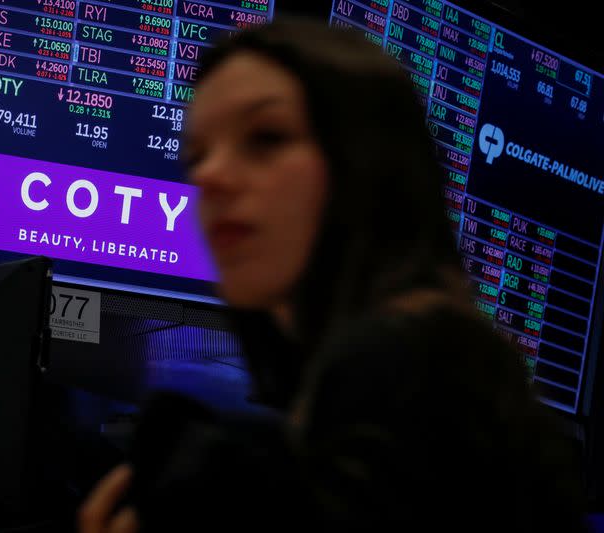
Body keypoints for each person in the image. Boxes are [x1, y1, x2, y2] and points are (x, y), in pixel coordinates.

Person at [77, 17, 589, 533]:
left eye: (266, 138)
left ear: (365, 159)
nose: (209, 176)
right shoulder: (426, 350)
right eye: (197, 155)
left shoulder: (400, 361)